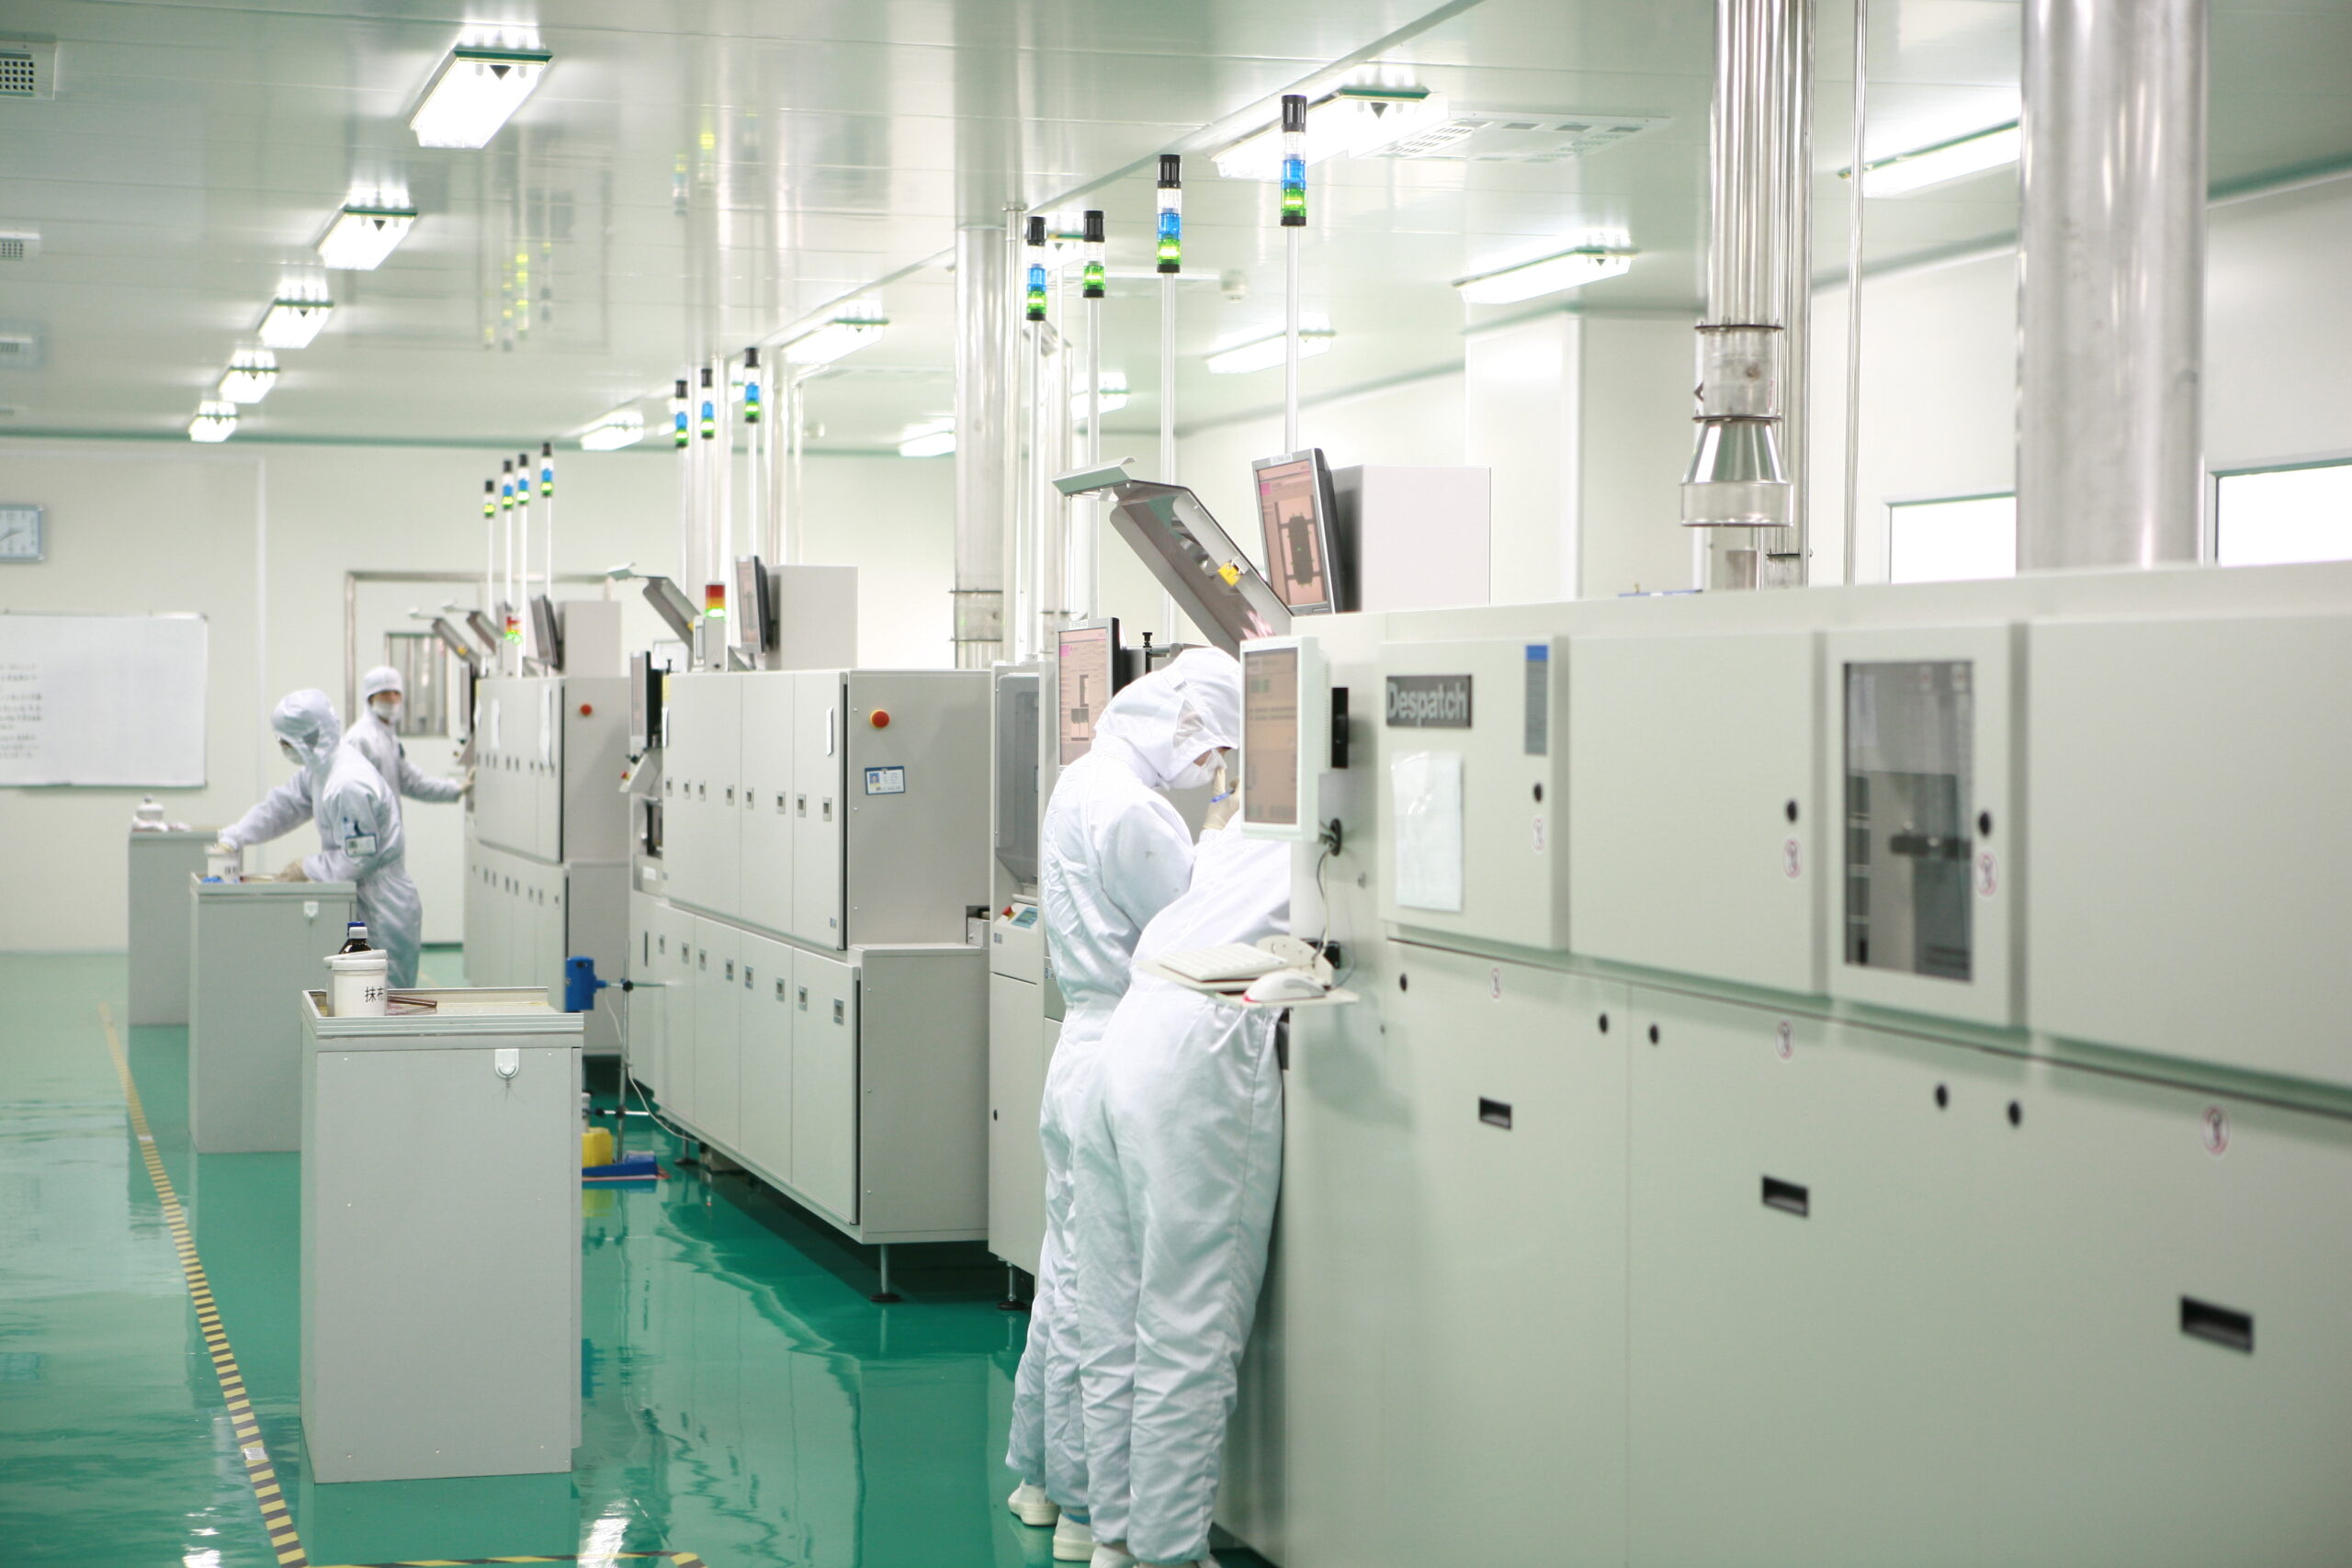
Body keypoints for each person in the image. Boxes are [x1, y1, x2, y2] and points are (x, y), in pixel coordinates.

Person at [1006, 648, 1243, 1563]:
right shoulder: (1137, 810)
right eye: (1213, 748)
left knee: (1068, 1285)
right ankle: (1104, 1520)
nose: (1211, 769)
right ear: (1184, 723)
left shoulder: (1082, 781)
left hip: (1079, 1051)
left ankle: (1050, 1484)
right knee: (1117, 1303)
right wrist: (1226, 839)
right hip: (1125, 1051)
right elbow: (1190, 929)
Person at [1069, 818, 1291, 1568]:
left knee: (1113, 1309)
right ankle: (1168, 1552)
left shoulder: (1239, 820)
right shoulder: (1328, 831)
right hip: (1200, 1045)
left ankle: (1114, 1537)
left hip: (1129, 1032)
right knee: (1187, 1318)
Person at [217, 689, 423, 988]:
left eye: (285, 742)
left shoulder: (347, 782)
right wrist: (236, 835)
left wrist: (307, 867)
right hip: (358, 895)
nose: (282, 747)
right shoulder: (320, 770)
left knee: (385, 998)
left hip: (382, 903)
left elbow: (360, 856)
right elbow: (283, 806)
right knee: (360, 995)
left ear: (307, 737)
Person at [346, 665, 468, 810]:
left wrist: (458, 789)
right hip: (368, 830)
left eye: (396, 693)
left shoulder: (388, 738)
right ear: (370, 698)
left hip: (388, 828)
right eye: (384, 694)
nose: (391, 699)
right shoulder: (360, 739)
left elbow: (413, 782)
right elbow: (352, 796)